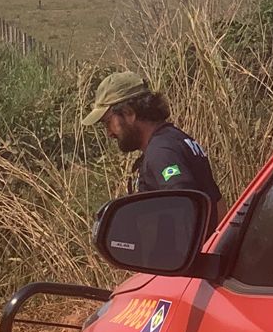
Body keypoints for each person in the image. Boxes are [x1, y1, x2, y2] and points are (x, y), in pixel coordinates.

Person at [82, 71, 225, 222]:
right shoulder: (175, 139)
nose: (109, 133)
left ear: (129, 113)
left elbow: (186, 208)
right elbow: (218, 204)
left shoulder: (161, 152)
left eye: (108, 122)